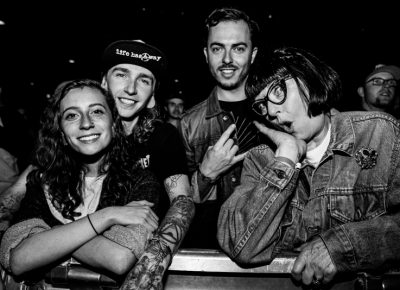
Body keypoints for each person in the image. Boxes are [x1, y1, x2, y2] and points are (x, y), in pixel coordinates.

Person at [0, 40, 195, 289]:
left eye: (144, 80)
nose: (131, 89)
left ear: (153, 94)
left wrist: (151, 264)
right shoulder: (56, 163)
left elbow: (182, 201)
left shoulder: (160, 139)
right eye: (121, 74)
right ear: (103, 82)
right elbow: (18, 194)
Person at [217, 46, 400, 288]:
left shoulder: (380, 133)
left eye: (278, 91)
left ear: (309, 80)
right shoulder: (261, 160)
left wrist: (340, 246)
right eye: (262, 106)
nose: (271, 111)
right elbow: (240, 244)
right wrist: (285, 162)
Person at [0, 79, 161, 280]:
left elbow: (118, 257)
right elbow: (19, 260)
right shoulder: (43, 183)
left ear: (114, 122)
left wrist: (50, 237)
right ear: (61, 132)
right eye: (72, 115)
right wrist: (108, 216)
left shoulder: (141, 181)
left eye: (96, 111)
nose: (86, 123)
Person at [179, 7, 262, 248]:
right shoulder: (188, 124)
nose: (227, 59)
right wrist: (206, 175)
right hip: (207, 253)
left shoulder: (278, 115)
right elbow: (176, 205)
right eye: (217, 48)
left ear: (253, 54)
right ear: (206, 54)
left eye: (238, 48)